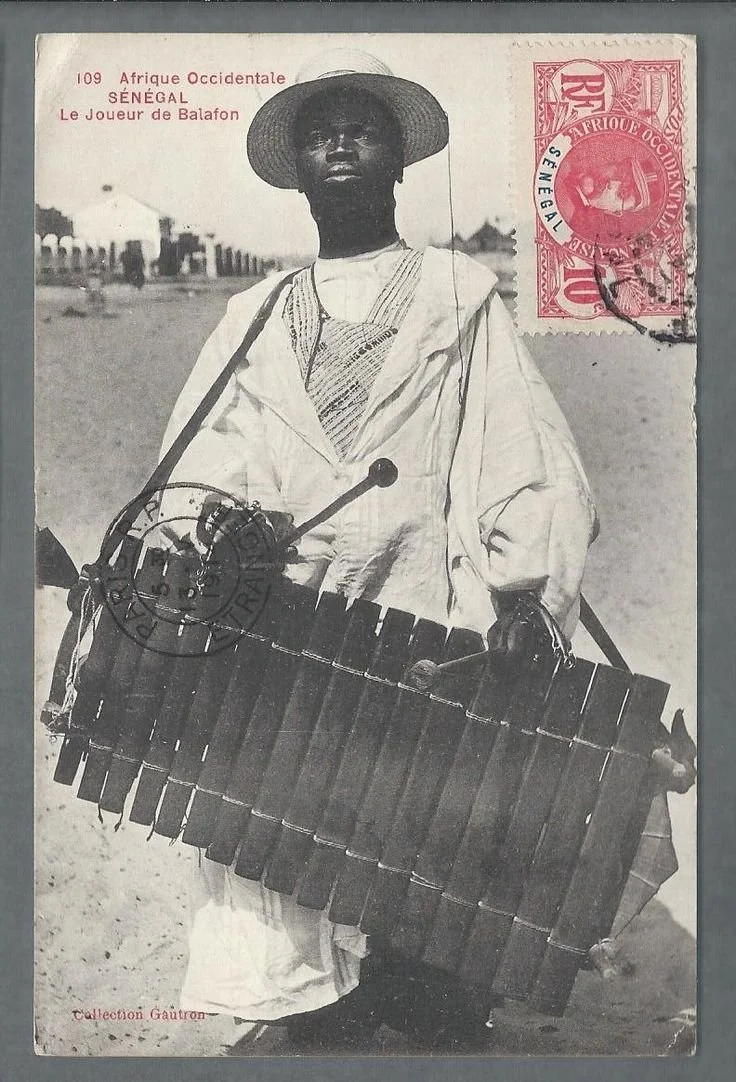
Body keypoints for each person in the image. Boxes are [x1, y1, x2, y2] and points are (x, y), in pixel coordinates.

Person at [159, 49, 599, 1052]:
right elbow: (202, 463)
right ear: (300, 165)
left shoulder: (457, 293)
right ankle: (311, 1006)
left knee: (429, 835)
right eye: (321, 130)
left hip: (424, 611)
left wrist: (522, 586)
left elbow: (521, 453)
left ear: (397, 157)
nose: (341, 142)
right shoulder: (252, 315)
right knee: (282, 824)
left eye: (361, 126)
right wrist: (226, 528)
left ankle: (424, 993)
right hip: (290, 620)